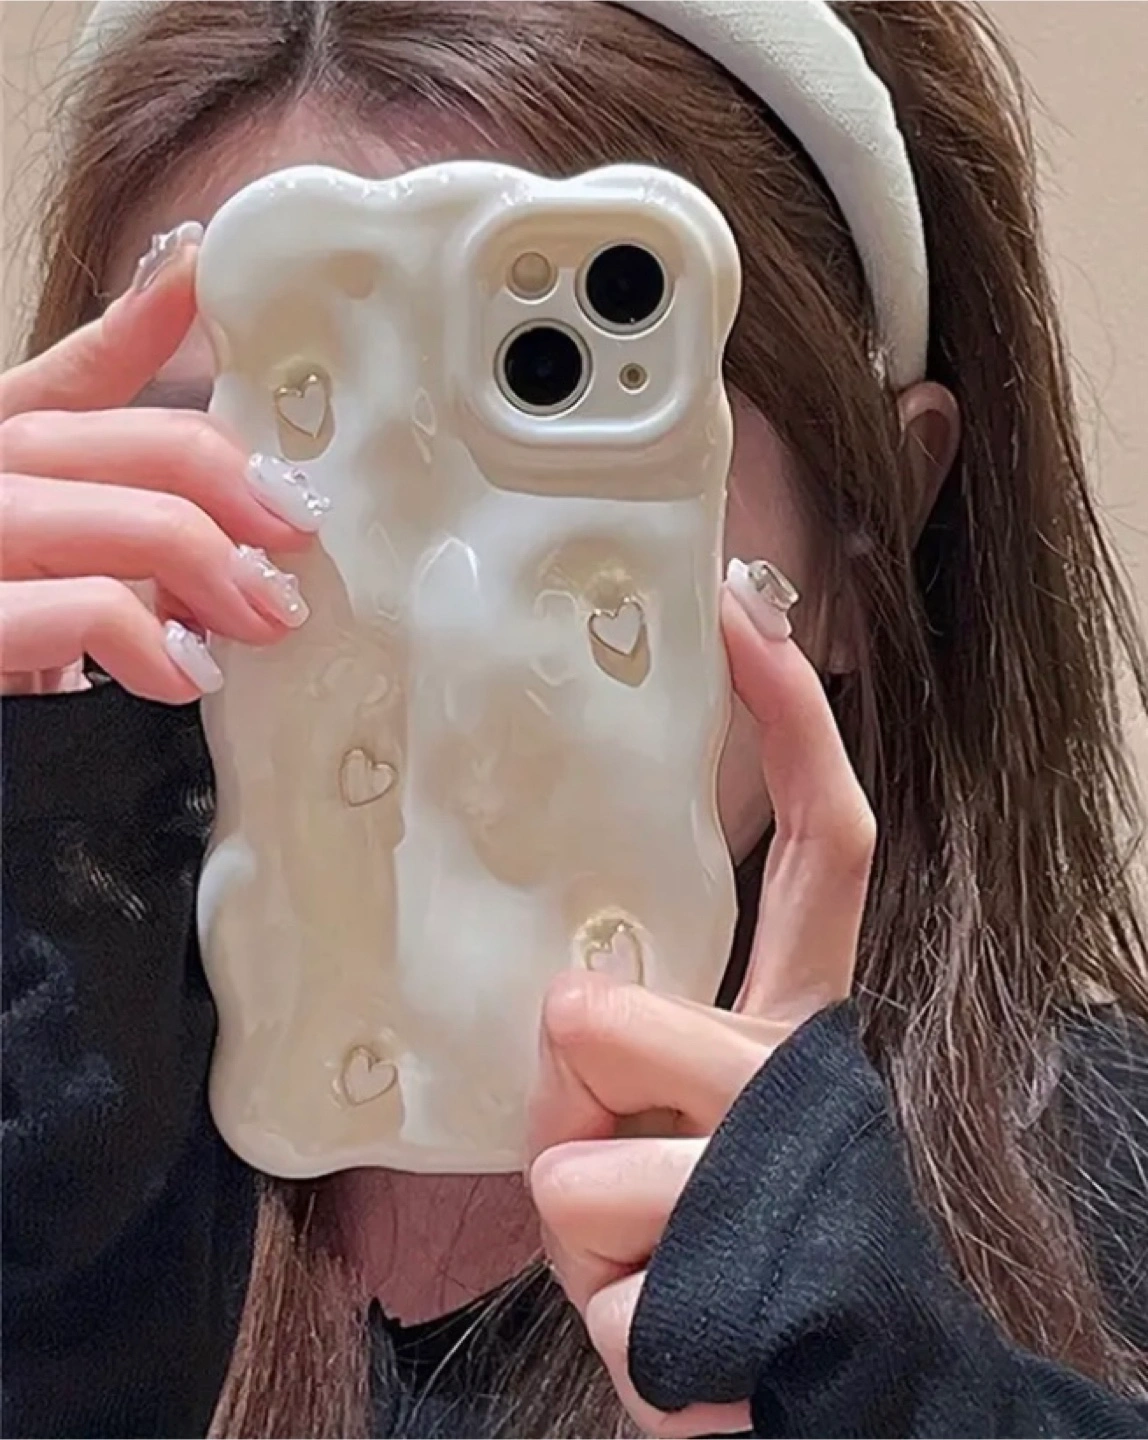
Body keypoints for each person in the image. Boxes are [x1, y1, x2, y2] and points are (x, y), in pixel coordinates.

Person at [2, 2, 1146, 1436]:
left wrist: (899, 1404)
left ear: (873, 533)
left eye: (538, 420)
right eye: (256, 448)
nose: (422, 596)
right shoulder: (59, 1113)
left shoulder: (1104, 1214)